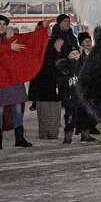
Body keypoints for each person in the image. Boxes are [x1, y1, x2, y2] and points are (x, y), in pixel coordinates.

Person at [0, 20, 49, 149]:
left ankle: (19, 137)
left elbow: (31, 38)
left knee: (17, 108)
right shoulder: (9, 41)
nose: (1, 26)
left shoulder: (14, 37)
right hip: (1, 81)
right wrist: (8, 46)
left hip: (15, 79)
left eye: (3, 24)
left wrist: (41, 26)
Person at [27, 37, 64, 140]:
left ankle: (53, 135)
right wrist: (55, 51)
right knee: (45, 114)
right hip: (42, 88)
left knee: (55, 115)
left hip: (55, 88)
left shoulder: (53, 49)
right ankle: (45, 136)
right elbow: (46, 66)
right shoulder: (40, 51)